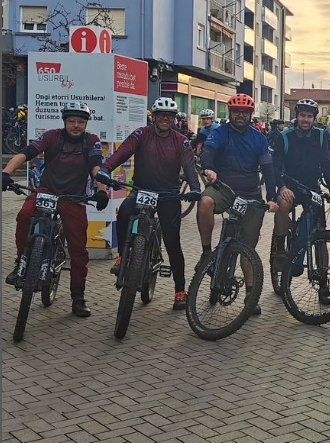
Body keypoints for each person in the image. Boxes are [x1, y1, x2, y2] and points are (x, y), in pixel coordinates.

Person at [2, 101, 108, 317]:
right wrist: (6, 173)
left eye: (80, 121)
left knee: (78, 250)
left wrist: (102, 190)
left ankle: (78, 298)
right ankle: (21, 261)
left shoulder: (91, 141)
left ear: (86, 123)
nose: (76, 125)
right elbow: (26, 153)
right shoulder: (52, 136)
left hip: (73, 197)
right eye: (72, 121)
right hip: (46, 190)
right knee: (24, 216)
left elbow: (96, 167)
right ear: (65, 122)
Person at [96, 98, 201, 310]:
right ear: (153, 116)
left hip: (168, 195)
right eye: (160, 114)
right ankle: (123, 255)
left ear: (174, 119)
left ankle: (179, 291)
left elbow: (189, 167)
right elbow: (122, 153)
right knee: (124, 212)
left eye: (169, 115)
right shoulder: (141, 134)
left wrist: (195, 188)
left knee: (172, 243)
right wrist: (105, 170)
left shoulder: (181, 141)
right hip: (141, 190)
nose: (165, 118)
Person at [197, 93, 278, 315]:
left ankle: (250, 297)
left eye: (244, 112)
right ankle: (206, 252)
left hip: (250, 194)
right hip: (224, 189)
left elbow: (268, 168)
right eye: (236, 111)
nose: (240, 115)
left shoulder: (259, 139)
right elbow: (208, 153)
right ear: (230, 112)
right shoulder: (219, 133)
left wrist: (271, 197)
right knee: (204, 202)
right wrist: (209, 168)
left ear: (250, 115)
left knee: (248, 250)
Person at [271, 99, 330, 305]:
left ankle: (323, 283)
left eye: (309, 116)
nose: (305, 120)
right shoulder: (285, 136)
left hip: (311, 187)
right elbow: (276, 166)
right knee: (283, 205)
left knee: (320, 233)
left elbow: (326, 164)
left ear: (314, 118)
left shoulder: (321, 135)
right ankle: (280, 248)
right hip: (290, 185)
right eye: (302, 115)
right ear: (297, 116)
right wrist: (281, 187)